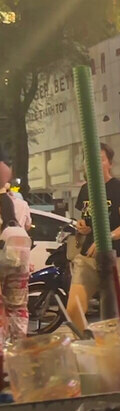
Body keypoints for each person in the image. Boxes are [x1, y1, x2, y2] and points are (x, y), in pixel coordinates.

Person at [67, 143, 120, 331]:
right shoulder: (85, 189)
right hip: (88, 255)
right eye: (89, 160)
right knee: (73, 309)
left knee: (116, 314)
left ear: (110, 163)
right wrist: (82, 227)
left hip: (118, 256)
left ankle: (116, 345)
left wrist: (104, 240)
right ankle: (87, 341)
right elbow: (85, 220)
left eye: (100, 159)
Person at [0, 146, 30, 343]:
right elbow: (27, 228)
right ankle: (17, 349)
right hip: (19, 262)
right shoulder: (21, 204)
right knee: (18, 308)